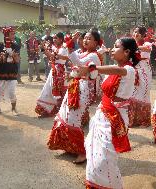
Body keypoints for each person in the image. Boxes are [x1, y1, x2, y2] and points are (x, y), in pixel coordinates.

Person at [85, 37, 140, 189]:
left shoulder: (128, 70)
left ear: (127, 52)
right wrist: (87, 73)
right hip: (103, 114)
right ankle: (96, 183)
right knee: (94, 152)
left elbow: (117, 70)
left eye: (116, 47)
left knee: (106, 157)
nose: (112, 50)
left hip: (115, 117)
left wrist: (93, 68)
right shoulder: (112, 70)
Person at [47, 30, 103, 164]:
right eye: (85, 38)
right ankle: (70, 146)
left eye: (89, 39)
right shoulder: (84, 53)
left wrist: (70, 45)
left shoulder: (94, 56)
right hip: (75, 86)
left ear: (96, 42)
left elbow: (77, 62)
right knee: (65, 115)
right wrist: (71, 75)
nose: (85, 40)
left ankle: (82, 152)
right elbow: (76, 68)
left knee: (74, 119)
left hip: (84, 90)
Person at [35, 32, 68, 118]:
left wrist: (45, 49)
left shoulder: (64, 48)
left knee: (58, 91)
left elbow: (62, 57)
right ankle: (47, 110)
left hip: (59, 72)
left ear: (61, 39)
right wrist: (43, 49)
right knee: (48, 90)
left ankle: (59, 111)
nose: (54, 40)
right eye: (53, 38)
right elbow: (50, 56)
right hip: (54, 70)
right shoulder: (55, 47)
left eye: (56, 38)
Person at [0, 27, 20, 116]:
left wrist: (13, 56)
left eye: (14, 34)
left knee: (12, 91)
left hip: (12, 71)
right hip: (1, 72)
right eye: (12, 34)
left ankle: (13, 108)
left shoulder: (16, 46)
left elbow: (18, 60)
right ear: (6, 35)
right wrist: (2, 57)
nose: (14, 35)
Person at [128, 26, 152, 127]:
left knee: (143, 93)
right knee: (133, 93)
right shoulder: (132, 44)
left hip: (144, 71)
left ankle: (144, 121)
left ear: (143, 35)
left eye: (137, 32)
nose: (135, 34)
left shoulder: (147, 43)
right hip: (134, 71)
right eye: (134, 32)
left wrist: (134, 48)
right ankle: (133, 120)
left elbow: (148, 49)